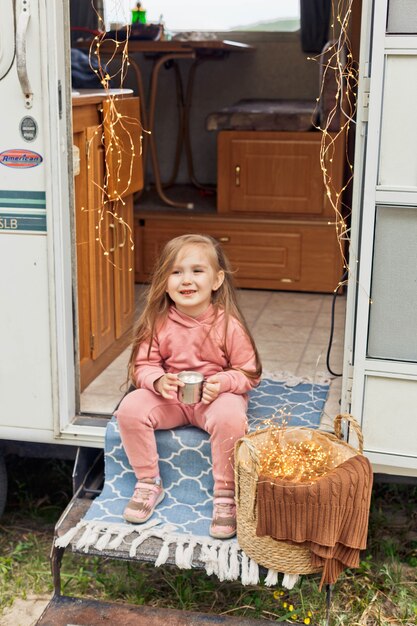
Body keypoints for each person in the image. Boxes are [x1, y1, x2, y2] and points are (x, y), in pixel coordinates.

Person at [116, 234, 262, 539]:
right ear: (165, 281)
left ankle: (225, 494)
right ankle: (148, 482)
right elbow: (142, 366)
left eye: (197, 271)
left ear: (217, 280)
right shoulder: (157, 322)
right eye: (176, 271)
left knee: (230, 417)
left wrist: (222, 383)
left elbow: (249, 373)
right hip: (171, 398)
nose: (187, 279)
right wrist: (157, 380)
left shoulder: (227, 325)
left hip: (212, 398)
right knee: (129, 408)